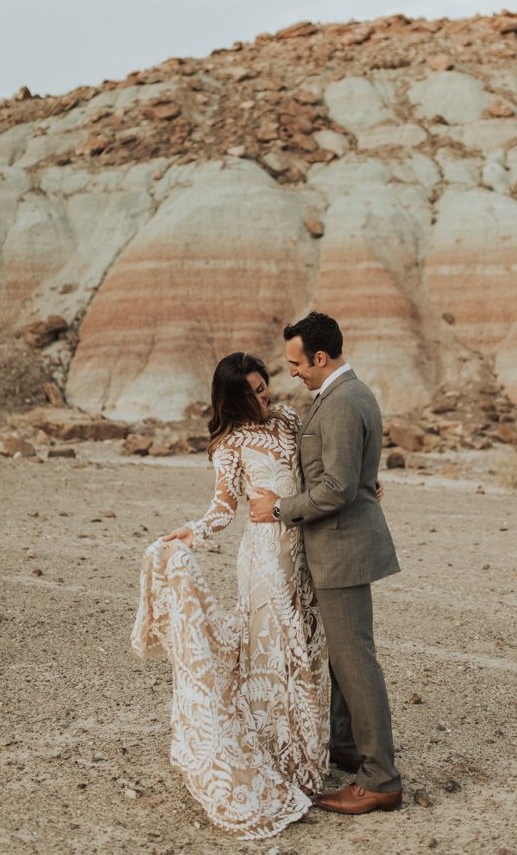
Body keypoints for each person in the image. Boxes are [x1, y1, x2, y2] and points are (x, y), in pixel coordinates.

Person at [130, 352, 330, 840]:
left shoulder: (287, 417)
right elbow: (222, 509)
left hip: (308, 548)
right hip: (265, 561)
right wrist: (190, 534)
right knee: (283, 655)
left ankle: (313, 755)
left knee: (313, 648)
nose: (266, 396)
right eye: (255, 391)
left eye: (265, 386)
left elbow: (318, 468)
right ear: (234, 397)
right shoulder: (230, 445)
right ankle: (282, 760)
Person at [250, 311, 402, 815]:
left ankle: (380, 778)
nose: (291, 372)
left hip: (341, 548)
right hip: (339, 545)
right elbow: (352, 476)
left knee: (355, 661)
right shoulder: (346, 395)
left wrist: (278, 509)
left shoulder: (341, 403)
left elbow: (336, 488)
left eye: (297, 363)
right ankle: (348, 748)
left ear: (320, 357)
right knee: (344, 657)